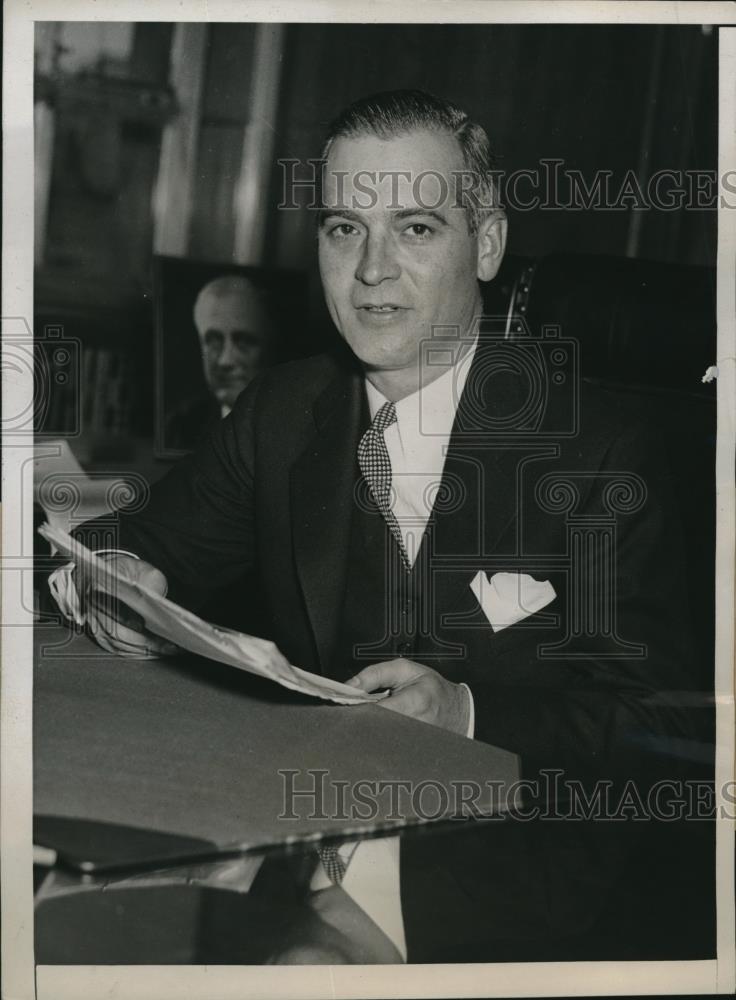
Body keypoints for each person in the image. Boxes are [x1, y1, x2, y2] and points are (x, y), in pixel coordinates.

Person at [52, 90, 702, 963]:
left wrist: (469, 710)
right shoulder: (283, 409)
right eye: (343, 228)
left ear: (489, 245)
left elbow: (658, 726)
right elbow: (141, 547)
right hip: (282, 836)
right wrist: (119, 587)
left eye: (417, 228)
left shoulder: (603, 451)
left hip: (492, 877)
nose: (371, 271)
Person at [165, 274, 275, 450]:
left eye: (244, 342)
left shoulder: (295, 427)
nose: (225, 361)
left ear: (271, 345)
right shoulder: (179, 428)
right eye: (214, 341)